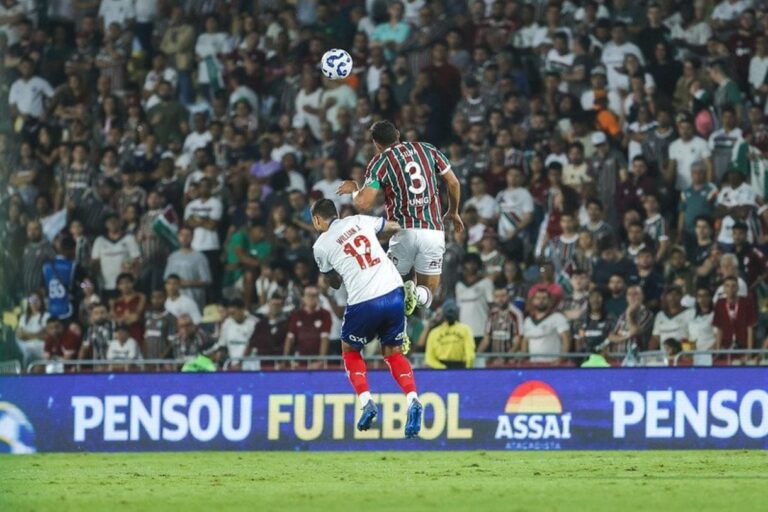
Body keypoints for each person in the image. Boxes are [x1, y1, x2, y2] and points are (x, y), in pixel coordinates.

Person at [310, 199, 422, 438]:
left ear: (317, 220)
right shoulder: (358, 220)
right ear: (337, 214)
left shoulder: (320, 245)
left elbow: (334, 282)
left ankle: (366, 401)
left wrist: (330, 276)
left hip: (364, 299)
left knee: (350, 350)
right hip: (394, 291)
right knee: (393, 353)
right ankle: (413, 399)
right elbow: (392, 227)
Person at [337, 120, 463, 315]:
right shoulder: (427, 150)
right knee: (427, 294)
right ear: (398, 134)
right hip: (433, 231)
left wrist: (354, 188)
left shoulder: (380, 162)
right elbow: (453, 183)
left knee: (389, 288)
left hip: (404, 231)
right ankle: (414, 293)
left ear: (376, 143)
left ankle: (393, 327)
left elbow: (363, 204)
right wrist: (453, 212)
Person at [163, 225, 211, 310]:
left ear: (192, 237)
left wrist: (186, 283)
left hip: (194, 300)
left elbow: (206, 280)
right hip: (175, 301)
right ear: (178, 237)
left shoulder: (199, 257)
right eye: (182, 235)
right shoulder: (172, 257)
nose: (184, 238)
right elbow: (167, 278)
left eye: (187, 235)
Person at [713, 276, 758, 363]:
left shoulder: (746, 302)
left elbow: (750, 328)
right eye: (727, 286)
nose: (730, 289)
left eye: (733, 286)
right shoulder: (720, 303)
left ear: (737, 288)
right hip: (727, 346)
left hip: (743, 345)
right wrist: (717, 351)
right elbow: (719, 328)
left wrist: (749, 352)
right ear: (724, 288)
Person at [521, 289, 571, 364]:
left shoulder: (558, 317)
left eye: (544, 298)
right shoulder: (528, 320)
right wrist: (523, 359)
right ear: (533, 301)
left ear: (549, 301)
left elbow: (566, 339)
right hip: (533, 364)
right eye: (538, 298)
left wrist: (561, 359)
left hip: (552, 364)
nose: (541, 301)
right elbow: (525, 341)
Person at [478, 286, 524, 367]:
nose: (500, 299)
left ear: (508, 297)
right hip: (495, 360)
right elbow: (486, 339)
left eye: (503, 296)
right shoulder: (492, 314)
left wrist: (506, 358)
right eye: (497, 297)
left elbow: (518, 339)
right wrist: (477, 355)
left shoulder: (516, 314)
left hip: (511, 361)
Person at [423, 300, 476, 369]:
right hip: (459, 369)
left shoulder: (434, 333)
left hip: (441, 371)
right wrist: (466, 370)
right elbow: (470, 356)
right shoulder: (466, 330)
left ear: (443, 314)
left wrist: (444, 369)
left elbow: (429, 358)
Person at [215, 298, 257, 370]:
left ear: (242, 310)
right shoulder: (227, 324)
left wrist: (240, 363)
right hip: (233, 365)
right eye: (230, 314)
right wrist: (219, 356)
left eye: (234, 313)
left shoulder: (254, 323)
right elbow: (222, 344)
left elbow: (251, 346)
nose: (232, 316)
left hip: (251, 365)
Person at [15, 293, 49, 368]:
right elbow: (19, 334)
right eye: (31, 300)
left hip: (41, 350)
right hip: (26, 351)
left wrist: (26, 335)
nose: (34, 302)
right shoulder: (23, 318)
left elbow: (45, 335)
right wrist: (37, 335)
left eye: (37, 300)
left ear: (41, 302)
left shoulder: (46, 316)